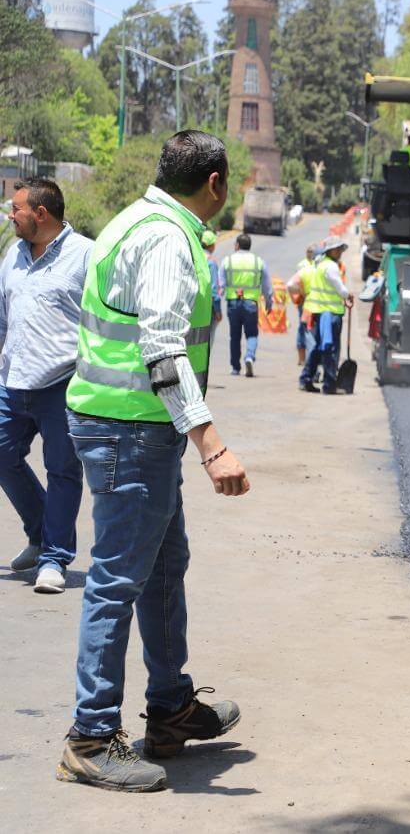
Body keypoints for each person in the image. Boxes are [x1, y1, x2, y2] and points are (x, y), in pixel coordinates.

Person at [57, 130, 250, 793]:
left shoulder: (133, 220)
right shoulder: (168, 238)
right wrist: (212, 444)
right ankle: (90, 736)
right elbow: (163, 350)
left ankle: (170, 707)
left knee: (166, 566)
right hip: (129, 432)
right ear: (215, 183)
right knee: (116, 580)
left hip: (134, 431)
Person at [0, 178, 91, 595]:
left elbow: (99, 324)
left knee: (63, 471)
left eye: (16, 209)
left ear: (41, 213)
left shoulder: (86, 256)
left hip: (63, 383)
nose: (10, 215)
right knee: (3, 454)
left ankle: (53, 557)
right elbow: (5, 316)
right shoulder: (12, 254)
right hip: (11, 379)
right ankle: (40, 532)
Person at [288, 235, 352, 394]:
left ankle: (306, 379)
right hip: (329, 313)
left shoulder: (320, 265)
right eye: (338, 249)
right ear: (331, 251)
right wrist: (347, 294)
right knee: (329, 348)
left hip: (319, 312)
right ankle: (329, 384)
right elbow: (339, 287)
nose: (341, 252)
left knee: (317, 347)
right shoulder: (330, 267)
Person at [220, 233, 272, 377]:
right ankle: (249, 356)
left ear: (237, 245)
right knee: (251, 334)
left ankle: (235, 368)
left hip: (233, 303)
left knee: (234, 336)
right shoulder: (258, 262)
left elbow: (221, 285)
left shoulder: (227, 261)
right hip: (251, 304)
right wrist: (269, 302)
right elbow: (267, 286)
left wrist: (216, 302)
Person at [290, 244, 315, 365]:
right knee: (304, 328)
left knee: (308, 328)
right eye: (309, 251)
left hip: (312, 301)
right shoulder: (302, 265)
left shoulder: (317, 265)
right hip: (305, 301)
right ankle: (302, 358)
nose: (310, 253)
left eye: (312, 251)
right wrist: (302, 293)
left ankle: (309, 357)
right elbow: (294, 283)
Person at [200, 229, 223, 346]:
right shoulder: (211, 262)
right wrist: (218, 311)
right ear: (211, 245)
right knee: (208, 339)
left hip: (194, 304)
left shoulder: (195, 256)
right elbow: (214, 289)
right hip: (208, 307)